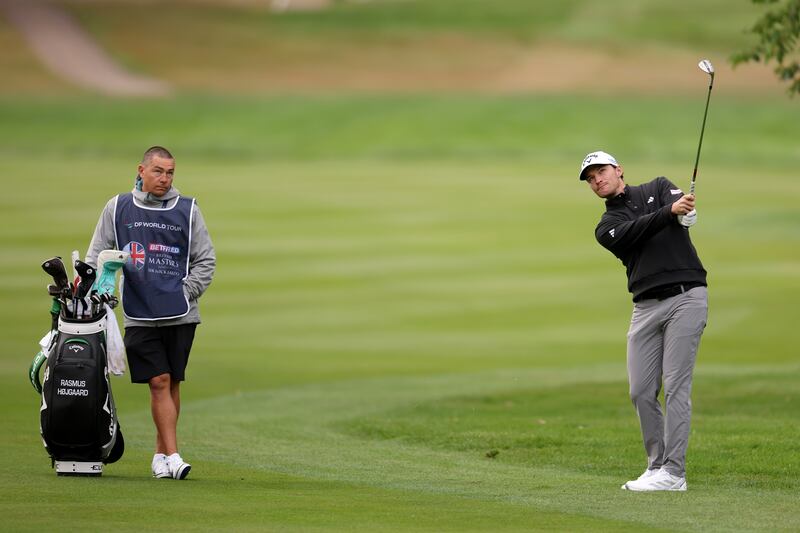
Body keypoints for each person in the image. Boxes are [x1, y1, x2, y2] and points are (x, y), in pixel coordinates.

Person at [580, 150, 707, 492]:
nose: (597, 180)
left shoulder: (660, 186)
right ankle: (656, 466)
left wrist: (686, 215)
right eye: (590, 179)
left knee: (677, 386)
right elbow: (636, 231)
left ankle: (674, 474)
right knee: (640, 391)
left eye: (601, 172)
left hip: (686, 297)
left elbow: (682, 209)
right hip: (645, 307)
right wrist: (669, 213)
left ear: (618, 169)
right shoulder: (606, 227)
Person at [86, 146, 216, 480]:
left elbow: (205, 260)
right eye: (158, 171)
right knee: (158, 381)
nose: (165, 178)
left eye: (170, 172)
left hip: (180, 313)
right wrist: (90, 287)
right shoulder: (118, 207)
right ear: (141, 170)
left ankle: (160, 456)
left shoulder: (187, 209)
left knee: (171, 382)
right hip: (138, 312)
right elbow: (96, 254)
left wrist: (184, 292)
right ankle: (174, 456)